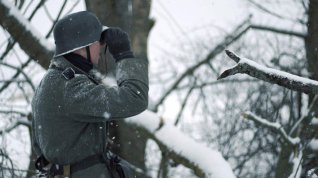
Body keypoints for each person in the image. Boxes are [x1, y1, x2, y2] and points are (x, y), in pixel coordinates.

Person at [31, 11, 148, 178]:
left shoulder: (52, 81)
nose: (101, 46)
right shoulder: (69, 87)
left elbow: (40, 145)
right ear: (81, 47)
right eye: (97, 41)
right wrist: (124, 56)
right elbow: (136, 98)